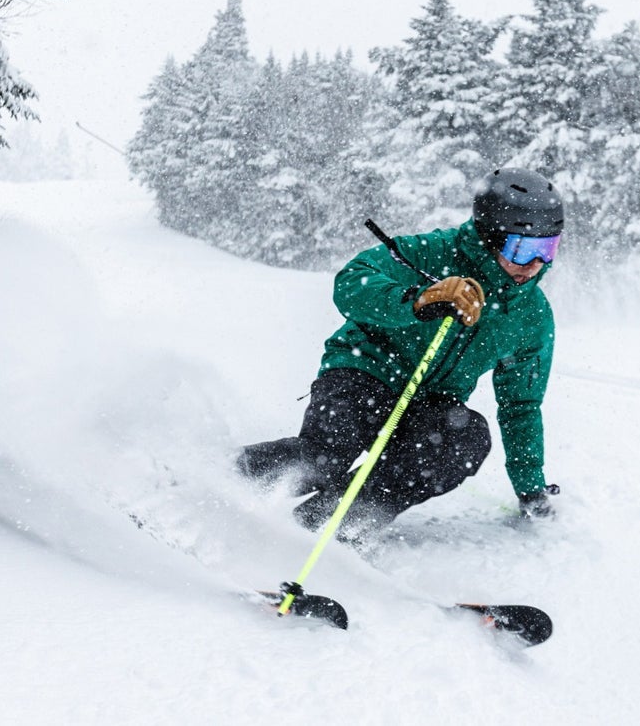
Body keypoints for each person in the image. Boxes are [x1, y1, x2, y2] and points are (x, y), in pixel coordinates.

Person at [237, 167, 564, 540]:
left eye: (548, 249)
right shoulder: (433, 253)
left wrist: (531, 489)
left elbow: (520, 406)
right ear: (489, 236)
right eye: (522, 249)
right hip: (366, 371)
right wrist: (417, 300)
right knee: (323, 458)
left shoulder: (531, 316)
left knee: (465, 438)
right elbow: (352, 281)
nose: (536, 265)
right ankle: (207, 477)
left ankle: (332, 525)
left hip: (429, 405)